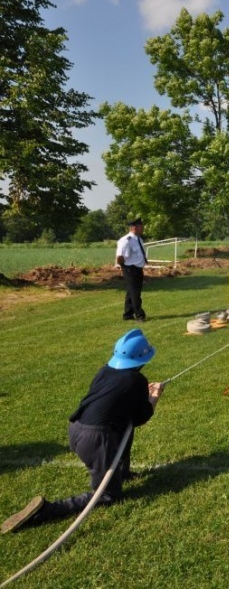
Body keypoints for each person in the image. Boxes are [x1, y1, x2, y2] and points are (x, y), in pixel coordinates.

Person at [2, 329, 165, 533]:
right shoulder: (137, 381)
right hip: (96, 439)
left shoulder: (104, 370)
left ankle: (122, 473)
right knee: (107, 496)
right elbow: (141, 417)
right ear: (142, 359)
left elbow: (116, 405)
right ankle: (45, 510)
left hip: (77, 428)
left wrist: (140, 396)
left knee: (124, 424)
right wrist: (155, 396)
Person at [116, 218, 148, 321]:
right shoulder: (126, 240)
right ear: (134, 227)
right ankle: (139, 315)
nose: (142, 228)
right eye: (140, 227)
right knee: (135, 293)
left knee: (131, 292)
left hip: (138, 268)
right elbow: (120, 256)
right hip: (130, 269)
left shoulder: (138, 239)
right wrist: (124, 268)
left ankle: (128, 314)